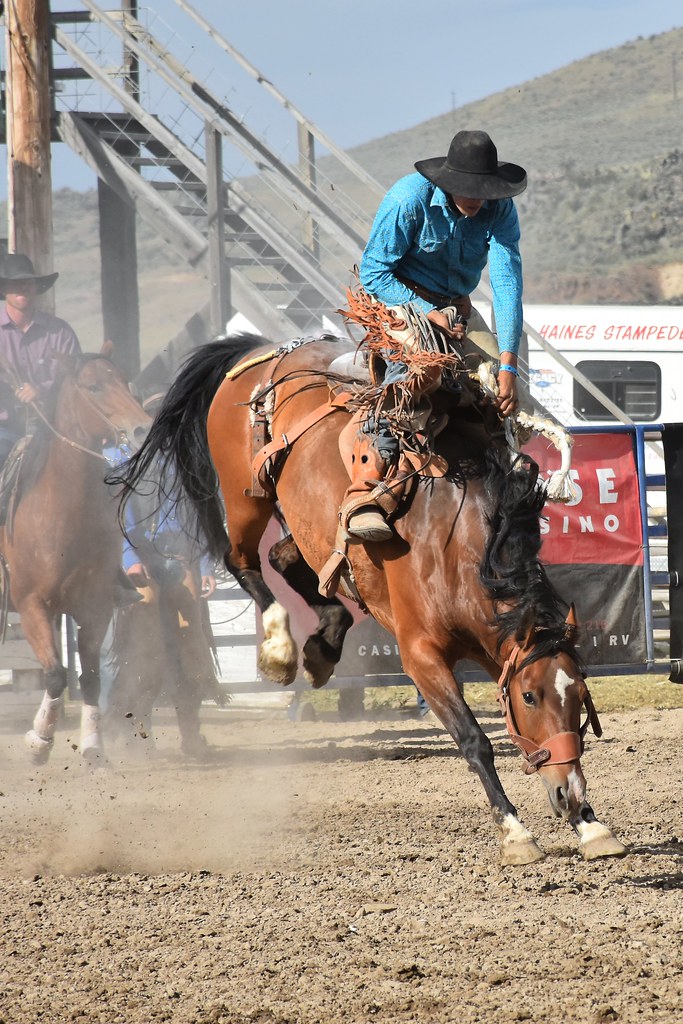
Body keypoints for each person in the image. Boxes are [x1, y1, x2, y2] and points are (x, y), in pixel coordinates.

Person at [340, 130, 529, 542]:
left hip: (456, 306)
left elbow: (506, 283)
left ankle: (509, 488)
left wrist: (509, 365)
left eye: (484, 190)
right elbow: (374, 272)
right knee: (419, 371)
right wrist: (427, 312)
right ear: (448, 181)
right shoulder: (409, 199)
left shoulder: (499, 208)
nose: (477, 199)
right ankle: (367, 486)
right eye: (468, 189)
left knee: (512, 396)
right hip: (399, 298)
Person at [102, 394, 222, 759]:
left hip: (179, 559)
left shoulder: (186, 461)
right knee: (143, 649)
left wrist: (204, 565)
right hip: (142, 563)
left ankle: (191, 735)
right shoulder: (119, 461)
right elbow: (119, 518)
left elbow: (198, 516)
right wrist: (130, 559)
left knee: (192, 645)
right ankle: (139, 736)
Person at [0, 252, 81, 466]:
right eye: (15, 283)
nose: (23, 287)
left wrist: (41, 390)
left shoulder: (60, 332)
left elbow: (76, 381)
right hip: (3, 429)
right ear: (3, 289)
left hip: (55, 428)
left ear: (36, 287)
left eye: (28, 282)